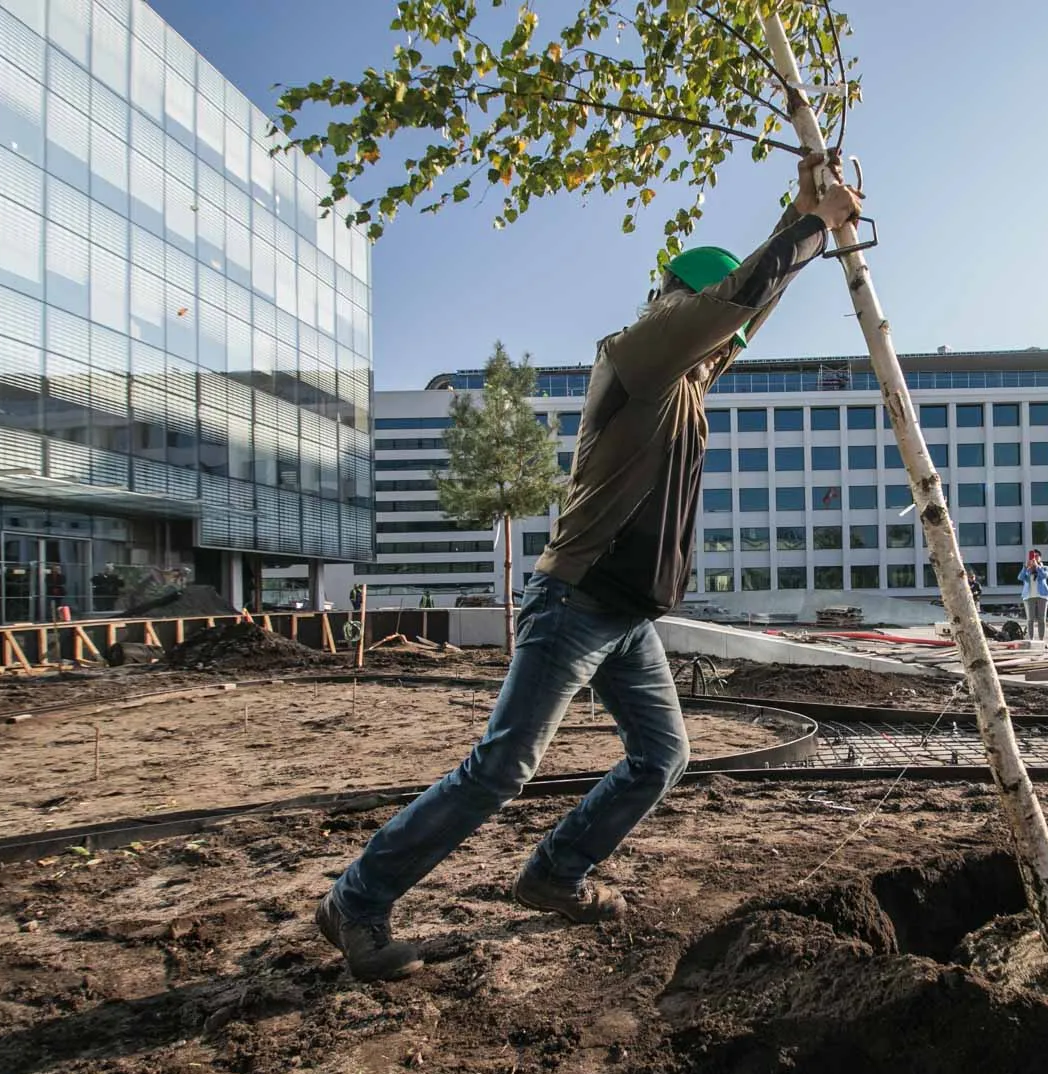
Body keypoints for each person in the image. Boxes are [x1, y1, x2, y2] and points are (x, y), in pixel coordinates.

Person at [313, 153, 863, 980]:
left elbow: (740, 319)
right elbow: (729, 310)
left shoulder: (683, 380)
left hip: (624, 613)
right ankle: (355, 901)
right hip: (573, 601)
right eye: (713, 324)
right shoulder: (636, 355)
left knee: (660, 756)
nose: (723, 348)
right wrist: (814, 230)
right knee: (503, 766)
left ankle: (555, 875)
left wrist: (802, 222)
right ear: (677, 301)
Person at [1018, 549, 1048, 641]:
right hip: (1028, 596)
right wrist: (1025, 567)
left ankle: (1041, 639)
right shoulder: (1027, 569)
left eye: (1037, 556)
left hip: (1042, 595)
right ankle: (1031, 639)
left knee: (1041, 619)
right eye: (1033, 556)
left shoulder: (1044, 568)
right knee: (1030, 619)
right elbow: (1020, 577)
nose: (1035, 558)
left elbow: (1044, 576)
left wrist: (1037, 566)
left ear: (1040, 558)